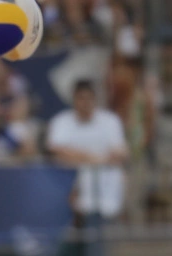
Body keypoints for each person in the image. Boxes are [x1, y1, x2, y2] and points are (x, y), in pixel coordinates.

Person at [47, 79, 128, 226]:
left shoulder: (110, 121)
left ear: (95, 99)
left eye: (89, 98)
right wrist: (94, 159)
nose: (85, 103)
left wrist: (79, 157)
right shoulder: (60, 122)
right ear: (74, 99)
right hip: (68, 183)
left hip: (103, 182)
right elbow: (57, 153)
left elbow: (120, 153)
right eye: (81, 98)